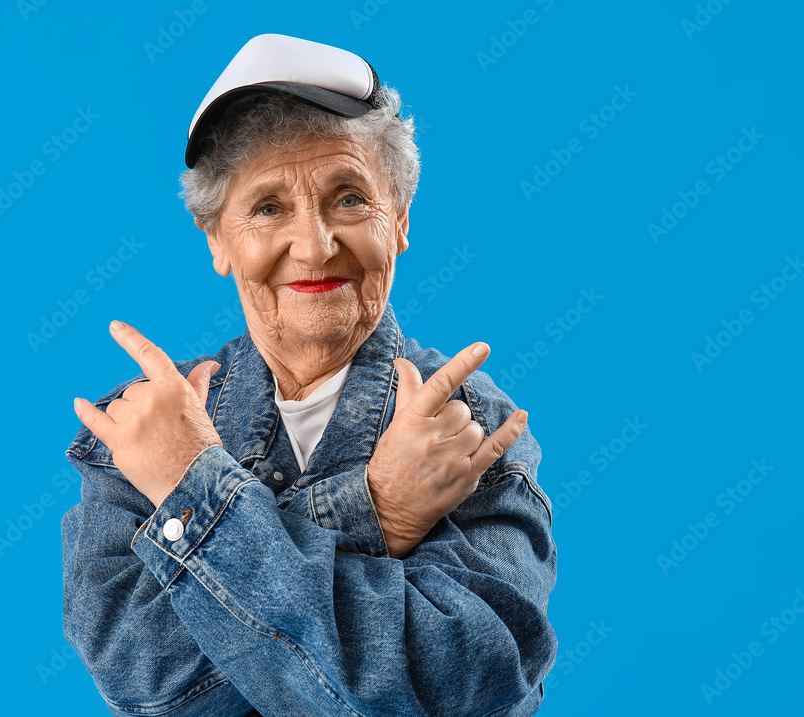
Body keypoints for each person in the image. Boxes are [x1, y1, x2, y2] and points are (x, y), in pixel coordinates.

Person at [61, 33, 556, 717]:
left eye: (350, 197)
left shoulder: (465, 423)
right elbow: (147, 680)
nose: (316, 244)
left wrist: (188, 488)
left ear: (401, 219)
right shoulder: (144, 424)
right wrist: (371, 509)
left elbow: (455, 683)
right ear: (217, 238)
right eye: (267, 207)